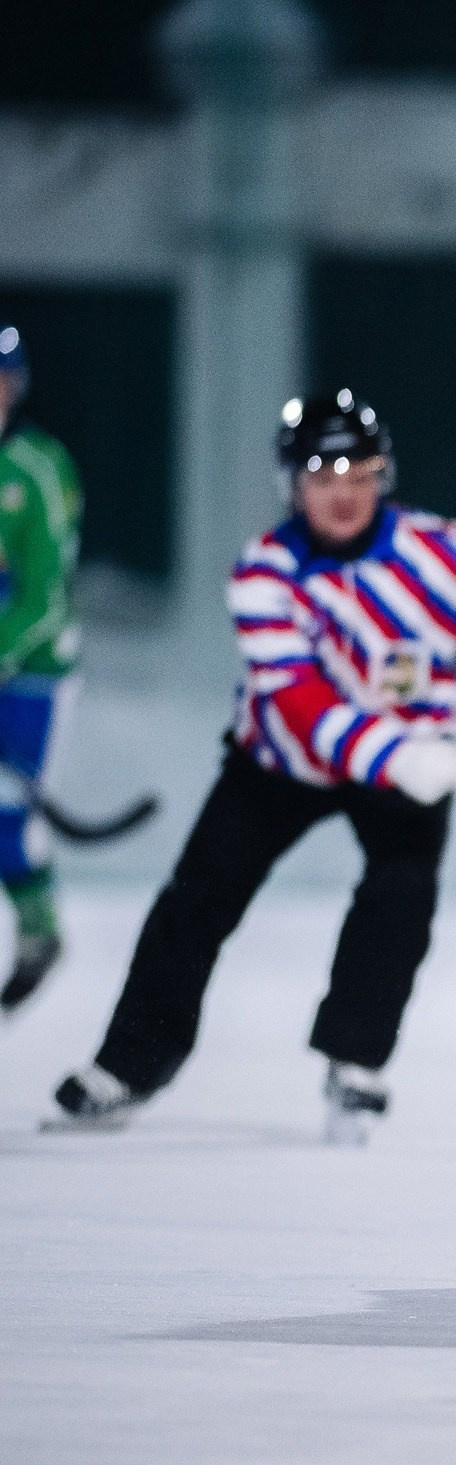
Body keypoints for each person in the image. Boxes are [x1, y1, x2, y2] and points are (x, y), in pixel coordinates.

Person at [48, 389, 456, 1143]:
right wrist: (391, 755)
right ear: (292, 485)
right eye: (324, 474)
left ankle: (355, 1065)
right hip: (282, 764)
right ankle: (130, 1066)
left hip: (416, 757)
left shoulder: (441, 558)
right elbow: (297, 698)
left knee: (399, 902)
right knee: (195, 903)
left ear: (384, 476)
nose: (344, 493)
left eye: (361, 473)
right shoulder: (265, 574)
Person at [0, 323, 83, 1014]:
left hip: (34, 676)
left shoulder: (36, 467)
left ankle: (39, 932)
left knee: (9, 815)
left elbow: (45, 594)